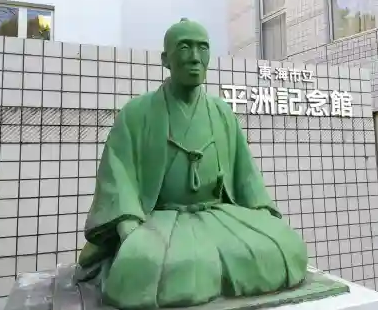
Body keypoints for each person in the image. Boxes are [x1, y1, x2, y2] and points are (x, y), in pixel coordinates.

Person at [76, 19, 308, 309]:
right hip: (160, 218)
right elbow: (117, 174)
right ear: (165, 59)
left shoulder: (222, 112)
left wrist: (261, 212)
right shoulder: (137, 113)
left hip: (218, 214)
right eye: (184, 47)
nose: (195, 57)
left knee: (283, 247)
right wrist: (128, 228)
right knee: (147, 264)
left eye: (202, 48)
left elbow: (245, 172)